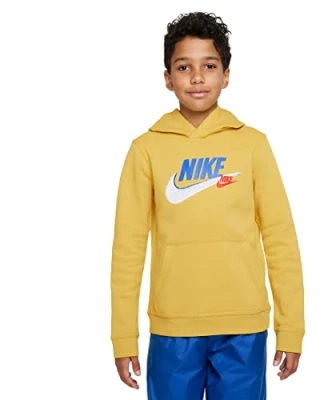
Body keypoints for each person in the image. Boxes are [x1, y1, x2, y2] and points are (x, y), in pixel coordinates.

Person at [110, 11, 305, 400]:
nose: (197, 77)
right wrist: (123, 335)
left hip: (243, 326)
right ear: (168, 78)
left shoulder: (252, 145)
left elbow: (280, 238)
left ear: (226, 75)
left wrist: (291, 328)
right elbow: (127, 248)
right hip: (173, 327)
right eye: (184, 67)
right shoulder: (146, 149)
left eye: (209, 66)